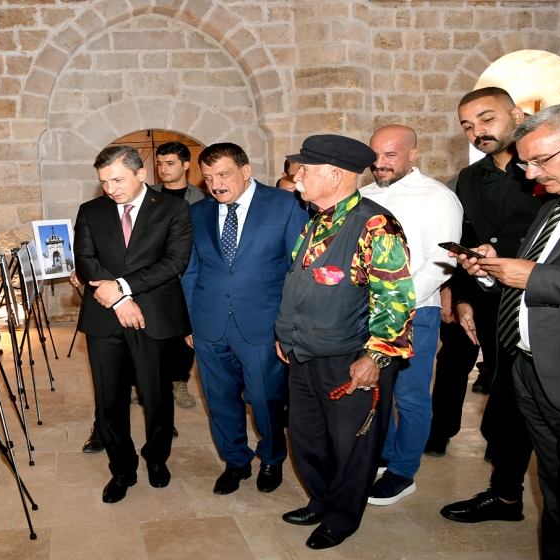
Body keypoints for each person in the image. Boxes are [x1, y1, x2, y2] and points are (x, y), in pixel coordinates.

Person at [456, 104, 560, 559]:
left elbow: (539, 277)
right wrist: (489, 271)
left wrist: (531, 275)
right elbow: (527, 275)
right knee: (554, 496)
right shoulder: (558, 205)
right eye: (526, 162)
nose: (531, 173)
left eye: (540, 161)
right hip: (533, 373)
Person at [275, 134, 415, 549]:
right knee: (306, 437)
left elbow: (396, 298)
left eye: (305, 170)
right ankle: (321, 499)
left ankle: (343, 515)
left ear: (334, 175)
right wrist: (287, 334)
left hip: (350, 360)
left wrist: (376, 357)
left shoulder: (375, 223)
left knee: (352, 444)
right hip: (303, 354)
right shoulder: (317, 218)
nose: (297, 178)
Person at [430, 87, 550, 524]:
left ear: (516, 114)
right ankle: (505, 496)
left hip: (550, 308)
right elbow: (466, 243)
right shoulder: (468, 179)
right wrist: (462, 297)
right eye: (467, 126)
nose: (477, 131)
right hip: (492, 309)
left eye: (486, 119)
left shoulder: (550, 171)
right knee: (505, 402)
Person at [181, 142, 308, 495]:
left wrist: (288, 327)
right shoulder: (199, 212)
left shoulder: (286, 205)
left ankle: (271, 457)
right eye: (207, 178)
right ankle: (235, 460)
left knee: (267, 398)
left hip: (264, 326)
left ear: (245, 170)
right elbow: (191, 272)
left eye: (223, 174)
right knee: (219, 399)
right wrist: (192, 322)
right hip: (209, 325)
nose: (215, 184)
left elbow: (297, 271)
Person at [74, 145, 193, 503]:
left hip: (153, 318)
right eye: (104, 182)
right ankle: (122, 469)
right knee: (109, 400)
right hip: (104, 319)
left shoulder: (173, 208)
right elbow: (85, 260)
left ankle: (156, 460)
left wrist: (123, 288)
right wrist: (120, 300)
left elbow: (174, 263)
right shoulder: (91, 211)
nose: (110, 189)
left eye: (117, 179)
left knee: (156, 398)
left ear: (141, 174)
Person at [358, 125, 463, 505]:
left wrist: (394, 308)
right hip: (366, 315)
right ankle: (383, 457)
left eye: (391, 155)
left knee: (411, 396)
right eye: (375, 155)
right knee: (377, 392)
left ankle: (404, 471)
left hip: (416, 313)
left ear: (413, 154)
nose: (380, 164)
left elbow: (441, 264)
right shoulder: (363, 195)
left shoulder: (437, 197)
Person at [151, 141, 207, 410]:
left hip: (187, 273)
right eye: (160, 163)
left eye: (170, 163)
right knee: (152, 331)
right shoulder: (147, 195)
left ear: (186, 165)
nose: (163, 168)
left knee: (184, 330)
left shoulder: (203, 199)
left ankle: (179, 381)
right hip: (153, 274)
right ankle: (145, 381)